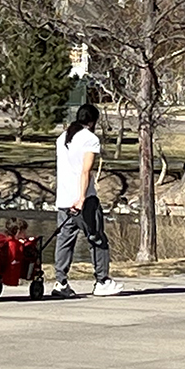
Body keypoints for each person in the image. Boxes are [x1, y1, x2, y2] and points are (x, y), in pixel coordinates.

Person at [53, 103, 120, 297]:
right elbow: (85, 170)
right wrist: (82, 198)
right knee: (97, 238)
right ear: (93, 121)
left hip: (63, 199)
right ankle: (102, 281)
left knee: (65, 240)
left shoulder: (62, 137)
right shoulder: (90, 139)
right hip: (83, 199)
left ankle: (61, 281)